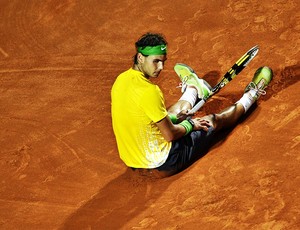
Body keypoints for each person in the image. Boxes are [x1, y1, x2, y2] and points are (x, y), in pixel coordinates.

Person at [111, 32, 273, 178]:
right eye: (156, 61)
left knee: (165, 114)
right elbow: (170, 135)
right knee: (210, 120)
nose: (161, 68)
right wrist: (190, 124)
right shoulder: (150, 91)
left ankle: (193, 89)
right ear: (140, 57)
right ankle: (252, 94)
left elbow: (141, 121)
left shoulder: (121, 81)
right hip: (165, 163)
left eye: (163, 62)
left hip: (134, 163)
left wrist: (175, 118)